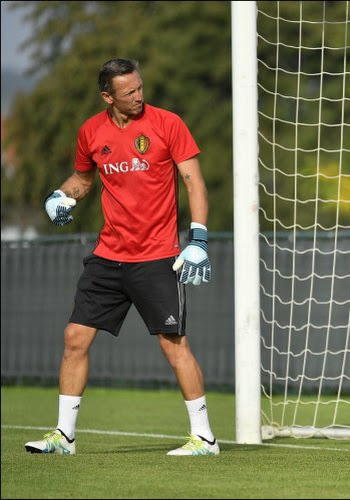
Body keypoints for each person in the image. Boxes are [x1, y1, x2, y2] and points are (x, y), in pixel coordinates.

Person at [24, 58, 219, 456]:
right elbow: (81, 180)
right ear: (107, 96)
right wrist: (59, 196)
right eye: (129, 92)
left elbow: (193, 181)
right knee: (74, 338)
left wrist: (198, 237)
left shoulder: (168, 123)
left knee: (173, 344)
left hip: (158, 256)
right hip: (108, 255)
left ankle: (205, 438)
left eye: (140, 87)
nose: (138, 96)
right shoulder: (91, 132)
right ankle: (64, 437)